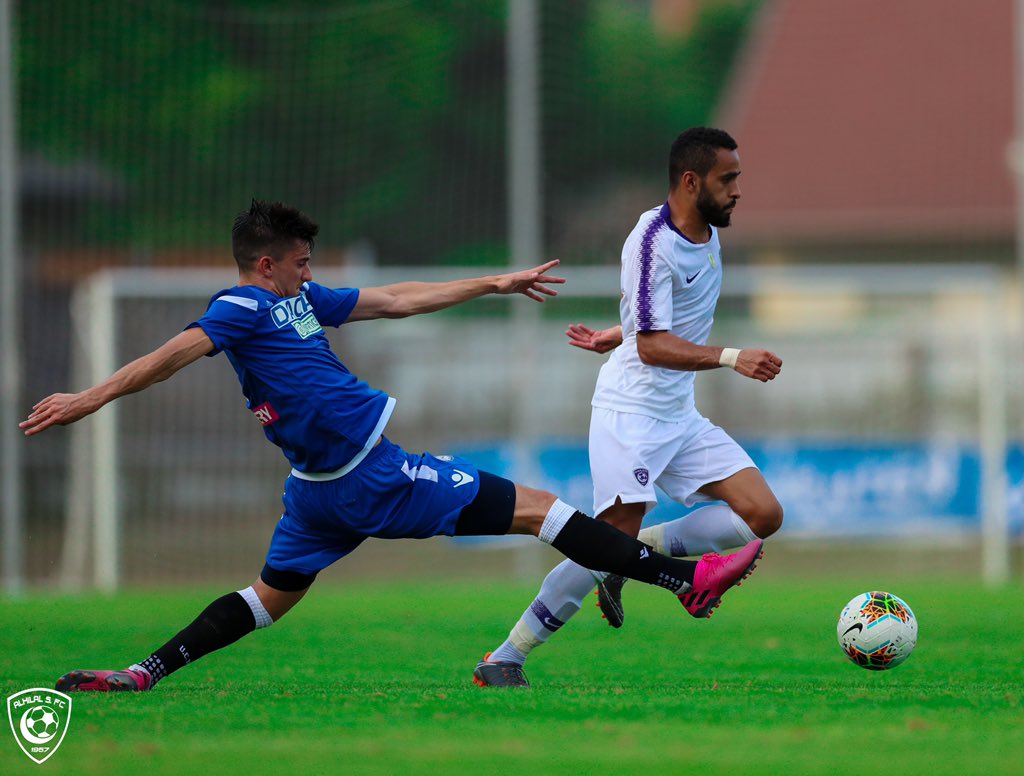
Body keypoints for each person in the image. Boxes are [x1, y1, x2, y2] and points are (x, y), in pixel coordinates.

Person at [20, 198, 765, 693]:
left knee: (268, 598)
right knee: (544, 511)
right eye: (302, 262)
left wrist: (494, 283)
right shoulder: (241, 306)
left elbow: (396, 299)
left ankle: (142, 671)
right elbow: (169, 356)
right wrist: (89, 399)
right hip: (374, 476)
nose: (312, 273)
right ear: (266, 263)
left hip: (316, 494)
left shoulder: (300, 302)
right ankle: (682, 582)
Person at [473, 127, 783, 688]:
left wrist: (617, 330)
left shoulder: (708, 233)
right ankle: (504, 657)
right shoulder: (651, 238)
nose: (738, 190)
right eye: (728, 179)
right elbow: (652, 345)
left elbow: (661, 318)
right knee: (608, 535)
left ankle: (626, 555)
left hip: (678, 412)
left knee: (762, 514)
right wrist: (731, 356)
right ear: (691, 182)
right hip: (631, 412)